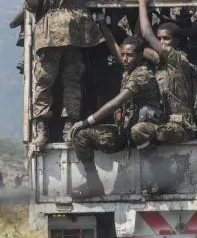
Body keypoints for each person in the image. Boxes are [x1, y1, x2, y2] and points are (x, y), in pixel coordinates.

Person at [23, 0, 105, 148]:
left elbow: (31, 0)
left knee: (44, 81)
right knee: (72, 81)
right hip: (76, 31)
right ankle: (70, 127)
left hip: (51, 31)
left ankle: (42, 130)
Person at [69, 34, 162, 164]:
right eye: (123, 55)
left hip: (143, 132)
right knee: (80, 135)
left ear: (140, 56)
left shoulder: (143, 74)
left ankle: (155, 171)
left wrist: (87, 121)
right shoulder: (129, 73)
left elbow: (116, 102)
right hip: (125, 132)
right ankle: (92, 177)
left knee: (136, 131)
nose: (125, 59)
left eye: (129, 55)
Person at [136, 0, 197, 145]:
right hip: (161, 122)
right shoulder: (159, 61)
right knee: (137, 130)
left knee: (159, 132)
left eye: (166, 38)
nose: (161, 42)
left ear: (176, 41)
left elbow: (147, 35)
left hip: (182, 126)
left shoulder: (179, 60)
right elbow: (138, 44)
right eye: (159, 39)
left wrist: (142, 5)